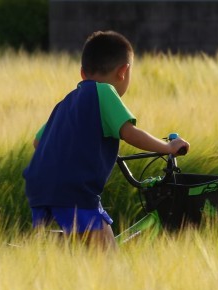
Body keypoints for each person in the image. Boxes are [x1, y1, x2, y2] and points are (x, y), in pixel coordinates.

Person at [22, 30, 190, 248]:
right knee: (107, 256)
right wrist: (168, 147)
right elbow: (130, 133)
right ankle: (36, 246)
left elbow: (38, 142)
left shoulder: (66, 102)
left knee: (80, 242)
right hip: (75, 189)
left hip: (40, 186)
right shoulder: (105, 92)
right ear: (123, 71)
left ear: (83, 73)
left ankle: (40, 247)